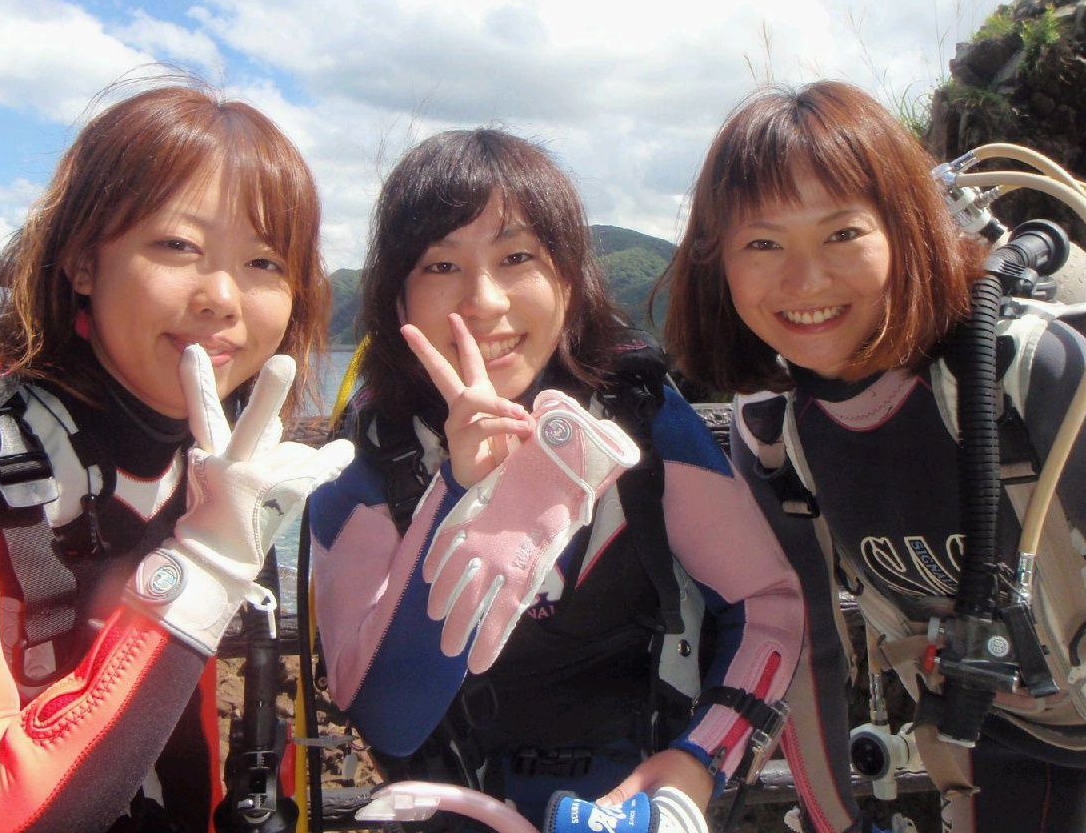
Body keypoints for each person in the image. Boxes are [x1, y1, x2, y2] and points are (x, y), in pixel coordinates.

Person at [0, 80, 351, 833]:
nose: (223, 297)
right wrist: (203, 571)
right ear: (84, 261)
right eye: (178, 246)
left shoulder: (197, 465)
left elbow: (171, 737)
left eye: (264, 262)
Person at [661, 80, 1086, 833]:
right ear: (717, 264)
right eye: (762, 243)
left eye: (842, 233)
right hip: (1002, 733)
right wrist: (836, 822)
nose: (805, 280)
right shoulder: (777, 432)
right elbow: (809, 644)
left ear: (906, 231)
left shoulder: (1032, 375)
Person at [307, 128, 803, 829]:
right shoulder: (374, 461)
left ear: (567, 283)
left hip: (644, 805)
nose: (484, 302)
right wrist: (459, 494)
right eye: (441, 265)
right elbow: (387, 715)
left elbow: (767, 605)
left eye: (517, 258)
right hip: (461, 807)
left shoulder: (636, 419)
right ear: (398, 301)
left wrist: (698, 762)